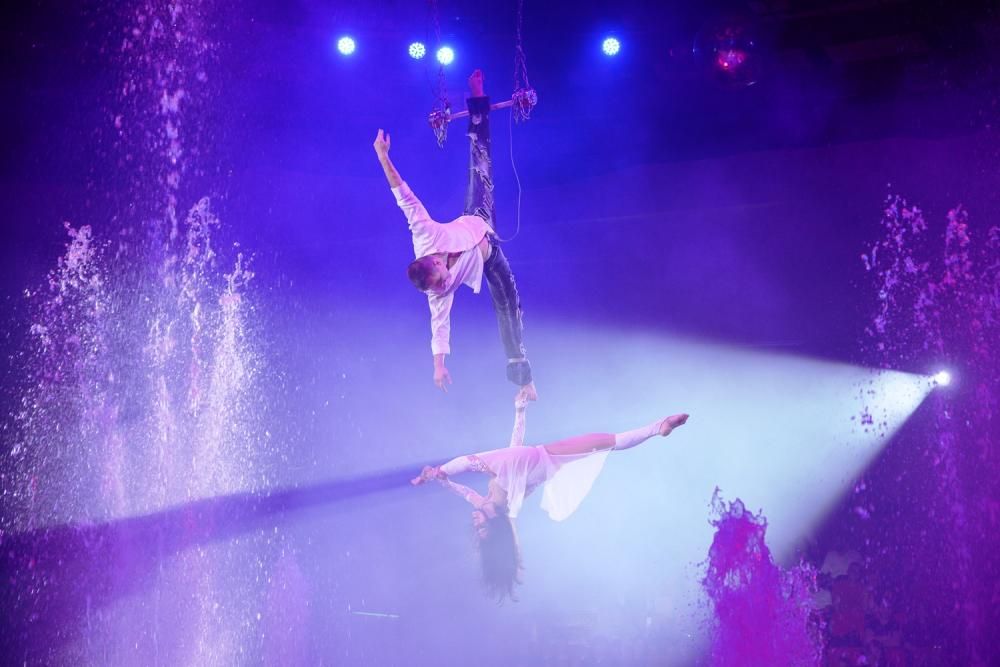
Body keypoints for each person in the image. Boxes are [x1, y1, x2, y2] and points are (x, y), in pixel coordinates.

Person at [411, 390, 689, 601]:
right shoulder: (504, 501)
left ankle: (659, 426)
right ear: (493, 520)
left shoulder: (492, 501)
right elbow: (474, 462)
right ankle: (658, 427)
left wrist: (441, 480)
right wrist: (439, 472)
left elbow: (501, 462)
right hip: (544, 458)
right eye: (481, 525)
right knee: (607, 441)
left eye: (476, 525)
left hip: (539, 460)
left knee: (606, 441)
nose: (474, 520)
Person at [373, 69, 534, 394]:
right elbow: (439, 326)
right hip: (491, 258)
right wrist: (439, 365)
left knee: (479, 159)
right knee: (508, 305)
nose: (446, 283)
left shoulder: (424, 235)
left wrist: (382, 157)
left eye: (442, 277)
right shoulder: (438, 292)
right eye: (441, 285)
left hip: (476, 218)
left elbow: (404, 196)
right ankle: (524, 381)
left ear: (432, 261)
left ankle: (476, 95)